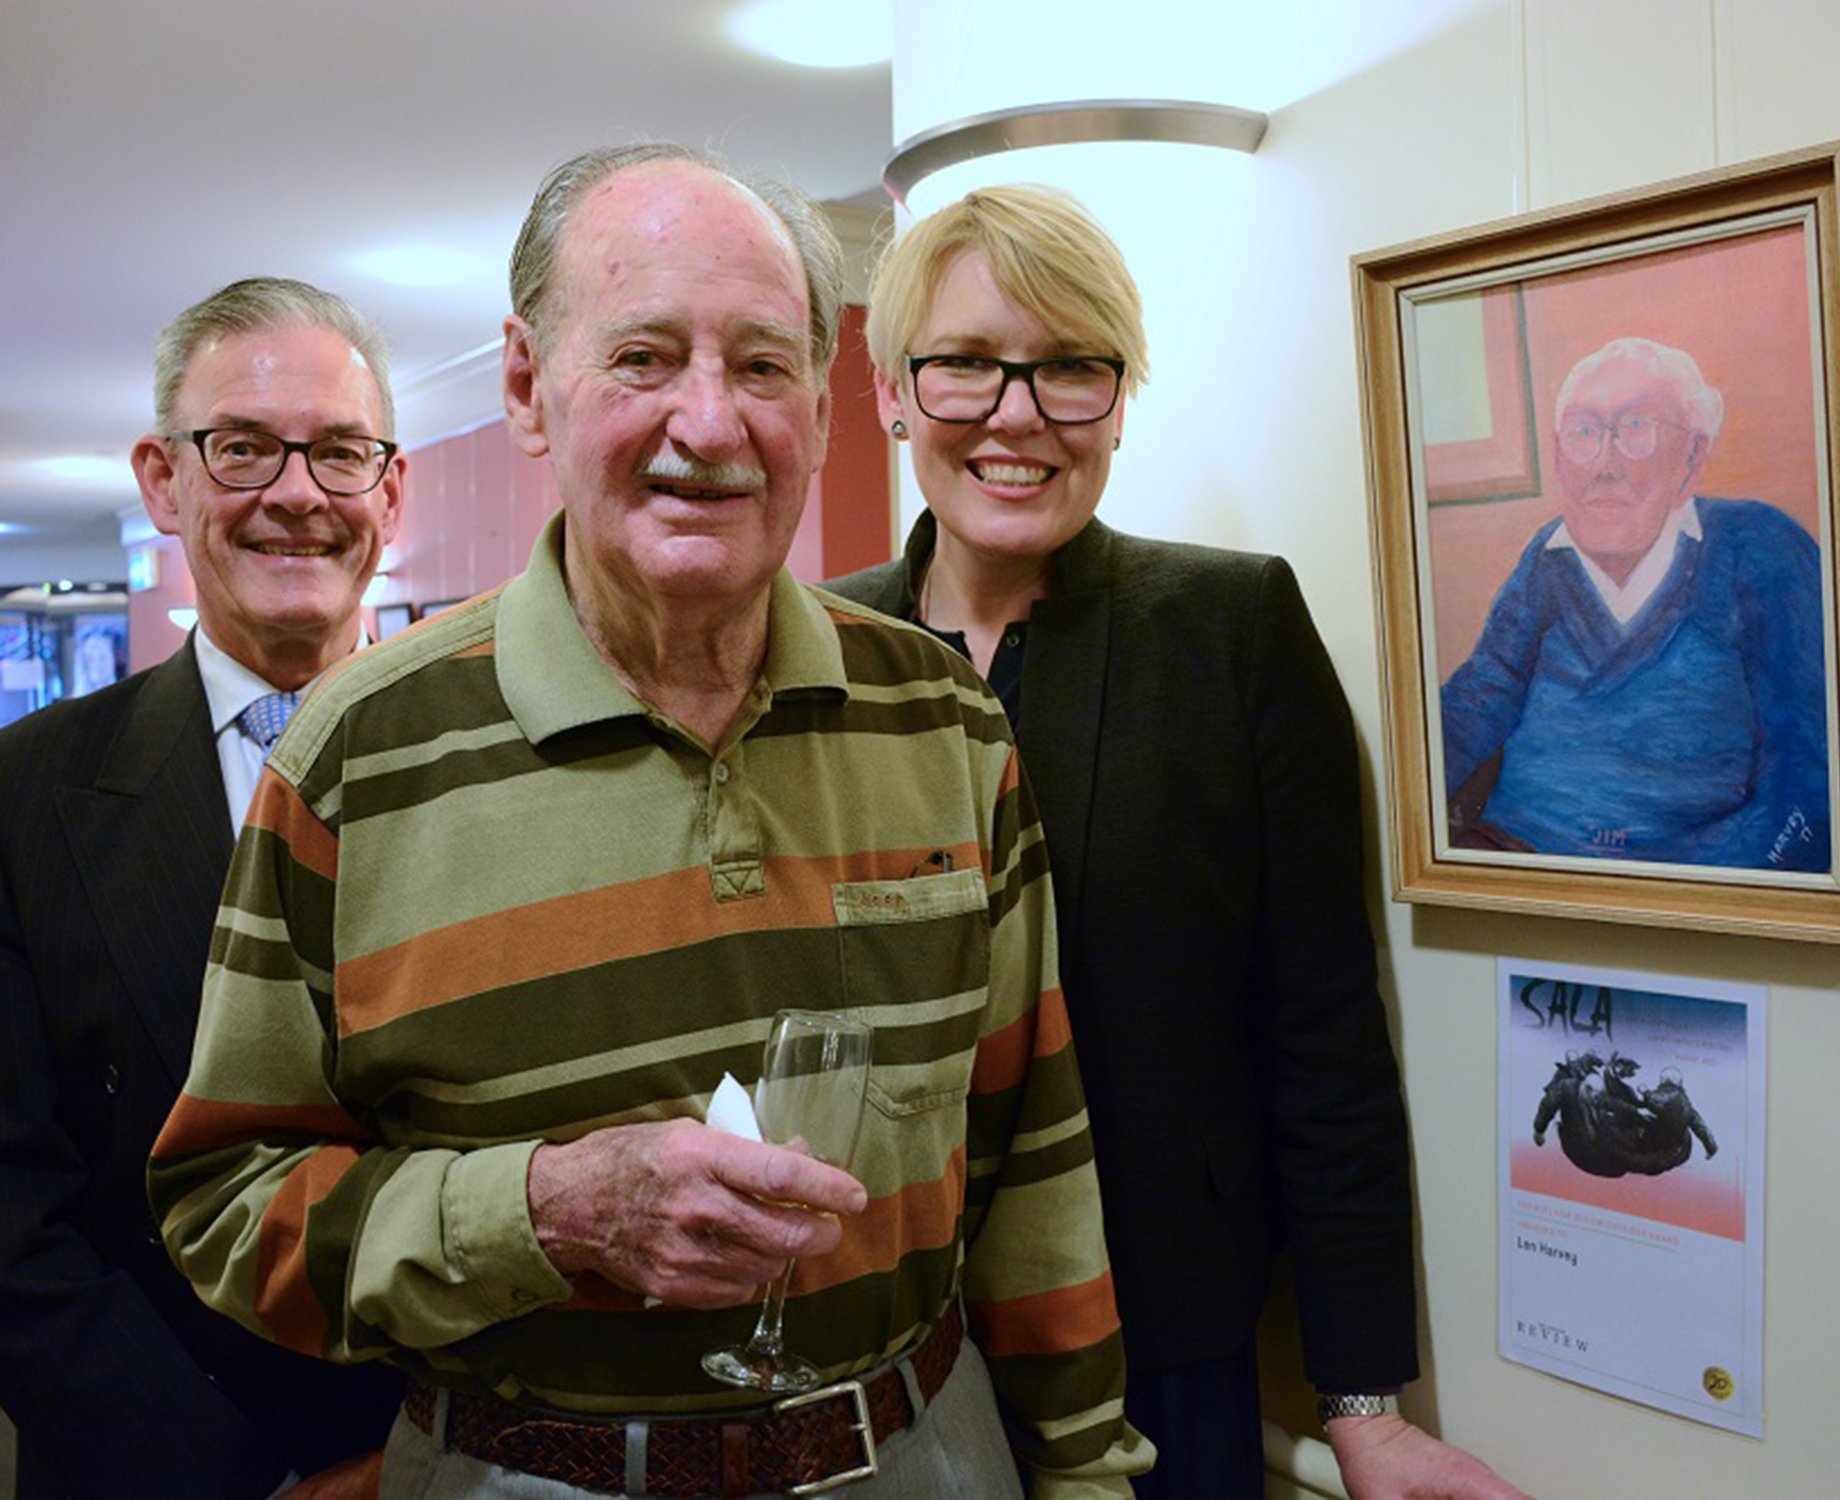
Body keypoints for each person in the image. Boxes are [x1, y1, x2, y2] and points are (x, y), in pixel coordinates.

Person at [147, 146, 1152, 1500]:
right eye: (642, 356)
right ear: (526, 387)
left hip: (923, 1454)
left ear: (822, 401)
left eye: (758, 363)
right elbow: (225, 1206)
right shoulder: (355, 760)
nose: (710, 421)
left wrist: (1085, 1474)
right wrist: (545, 1213)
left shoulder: (943, 726)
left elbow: (1036, 1159)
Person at [825, 186, 1527, 1499]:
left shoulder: (1229, 628)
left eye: (1070, 369)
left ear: (1119, 396)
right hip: (871, 1352)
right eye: (968, 364)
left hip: (1164, 1350)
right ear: (892, 393)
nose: (1019, 413)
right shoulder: (814, 651)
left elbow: (1324, 1035)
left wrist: (1365, 1397)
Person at [0, 278, 408, 1495]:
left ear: (391, 489)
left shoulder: (514, 761)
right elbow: (16, 1216)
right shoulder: (25, 795)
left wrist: (422, 1458)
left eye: (339, 452)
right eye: (242, 449)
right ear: (162, 479)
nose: (296, 492)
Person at [1441, 336, 1830, 870]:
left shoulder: (1762, 550)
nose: (1604, 464)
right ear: (1558, 457)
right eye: (1583, 432)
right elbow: (1475, 703)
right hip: (1515, 864)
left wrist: (1671, 888)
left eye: (1636, 428)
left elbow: (1812, 780)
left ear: (1692, 456)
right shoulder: (1547, 558)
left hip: (1685, 889)